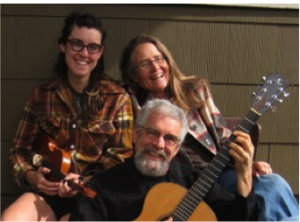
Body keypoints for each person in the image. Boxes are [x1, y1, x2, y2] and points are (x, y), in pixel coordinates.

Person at [119, 33, 300, 222]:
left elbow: (222, 136)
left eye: (159, 58)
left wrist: (245, 166)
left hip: (217, 174)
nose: (156, 67)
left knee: (273, 184)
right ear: (134, 75)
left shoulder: (194, 90)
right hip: (180, 185)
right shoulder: (132, 104)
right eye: (145, 64)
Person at [0, 10, 133, 222]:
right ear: (64, 46)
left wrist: (85, 179)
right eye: (77, 44)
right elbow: (18, 151)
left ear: (100, 52)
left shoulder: (117, 99)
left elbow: (121, 156)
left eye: (93, 47)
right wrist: (31, 176)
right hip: (48, 191)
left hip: (92, 193)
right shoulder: (42, 96)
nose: (84, 53)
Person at [69, 98, 257, 222]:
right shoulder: (101, 187)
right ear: (135, 134)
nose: (159, 144)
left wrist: (245, 176)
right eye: (152, 133)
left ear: (177, 147)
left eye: (170, 139)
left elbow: (238, 219)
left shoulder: (194, 182)